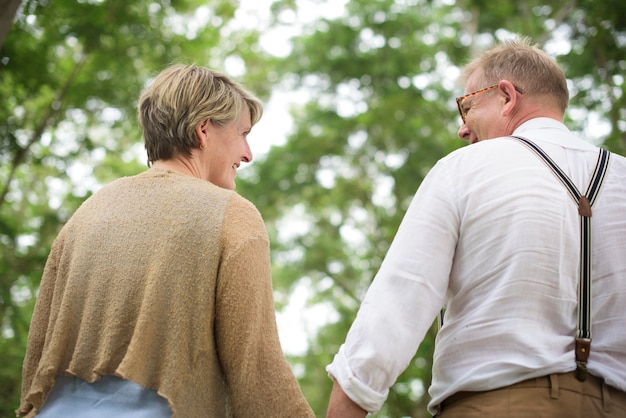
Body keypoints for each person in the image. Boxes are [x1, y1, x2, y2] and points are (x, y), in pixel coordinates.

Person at [325, 37, 626, 417]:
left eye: (466, 108)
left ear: (506, 97)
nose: (462, 130)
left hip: (499, 404)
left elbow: (400, 298)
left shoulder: (465, 169)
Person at [18, 64, 315, 418]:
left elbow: (38, 357)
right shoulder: (232, 216)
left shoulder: (86, 214)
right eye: (243, 134)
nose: (248, 153)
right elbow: (257, 374)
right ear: (204, 130)